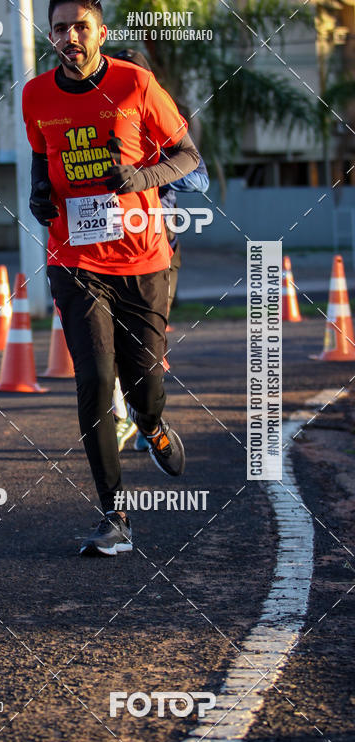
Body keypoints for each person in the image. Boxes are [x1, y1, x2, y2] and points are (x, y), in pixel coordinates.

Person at [22, 0, 200, 556]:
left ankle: (151, 425)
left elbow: (189, 156)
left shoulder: (135, 84)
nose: (70, 37)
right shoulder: (35, 94)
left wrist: (142, 178)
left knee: (144, 384)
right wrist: (39, 194)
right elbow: (41, 157)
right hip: (74, 259)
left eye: (80, 26)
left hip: (143, 259)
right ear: (51, 36)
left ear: (100, 32)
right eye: (60, 28)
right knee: (96, 380)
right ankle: (114, 515)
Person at [109, 49, 210, 453]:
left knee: (147, 344)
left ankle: (146, 418)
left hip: (159, 249)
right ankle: (123, 416)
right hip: (106, 251)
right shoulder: (100, 124)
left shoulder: (164, 127)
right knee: (108, 343)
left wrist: (150, 174)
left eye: (133, 81)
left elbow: (199, 179)